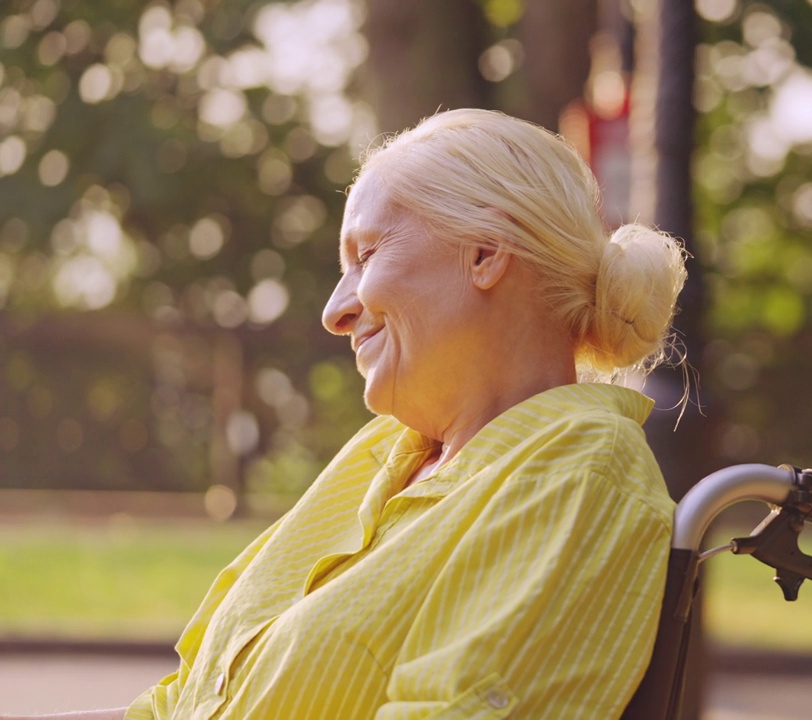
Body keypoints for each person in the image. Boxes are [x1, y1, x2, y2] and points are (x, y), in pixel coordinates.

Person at [5, 108, 687, 720]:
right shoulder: (381, 456)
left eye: (364, 256)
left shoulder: (580, 471)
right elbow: (177, 707)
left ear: (485, 252)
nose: (335, 311)